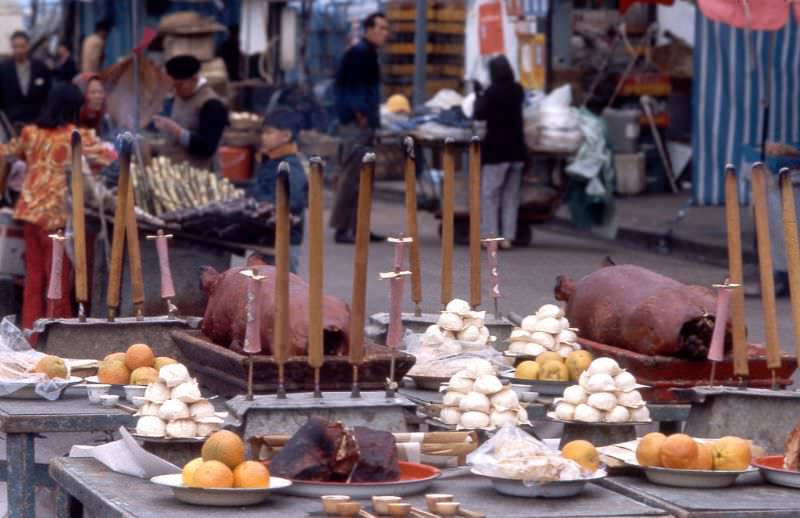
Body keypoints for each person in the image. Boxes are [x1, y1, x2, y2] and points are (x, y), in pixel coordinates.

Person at [0, 83, 116, 330]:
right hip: (58, 220)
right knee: (58, 284)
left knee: (34, 282)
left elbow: (5, 152)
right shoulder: (76, 136)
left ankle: (31, 336)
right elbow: (110, 157)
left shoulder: (30, 133)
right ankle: (56, 336)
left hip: (30, 216)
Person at [328, 12, 389, 244]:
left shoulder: (369, 54)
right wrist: (361, 115)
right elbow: (351, 89)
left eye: (386, 28)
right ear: (368, 30)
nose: (384, 33)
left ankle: (359, 227)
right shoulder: (359, 53)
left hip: (365, 123)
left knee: (364, 177)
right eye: (380, 28)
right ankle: (342, 228)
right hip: (356, 125)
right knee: (352, 176)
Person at [472, 55, 527, 249]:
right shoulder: (518, 90)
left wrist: (479, 93)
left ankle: (490, 237)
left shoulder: (492, 93)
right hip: (517, 151)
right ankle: (508, 238)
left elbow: (478, 114)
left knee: (490, 195)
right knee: (510, 196)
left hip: (497, 152)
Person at [252, 107, 308, 274]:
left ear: (286, 136)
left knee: (284, 287)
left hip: (285, 238)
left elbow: (294, 200)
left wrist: (266, 206)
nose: (263, 137)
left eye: (269, 133)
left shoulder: (290, 165)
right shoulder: (270, 159)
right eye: (263, 132)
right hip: (268, 236)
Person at [153, 54, 229, 170]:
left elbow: (207, 147)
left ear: (194, 79)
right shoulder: (178, 95)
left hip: (199, 173)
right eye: (172, 86)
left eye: (179, 85)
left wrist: (177, 131)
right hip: (173, 168)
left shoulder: (211, 104)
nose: (175, 91)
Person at [0, 31, 52, 128]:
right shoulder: (3, 69)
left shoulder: (41, 68)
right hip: (11, 123)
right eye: (16, 47)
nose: (19, 50)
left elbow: (48, 95)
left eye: (22, 46)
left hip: (37, 123)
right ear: (12, 47)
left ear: (28, 46)